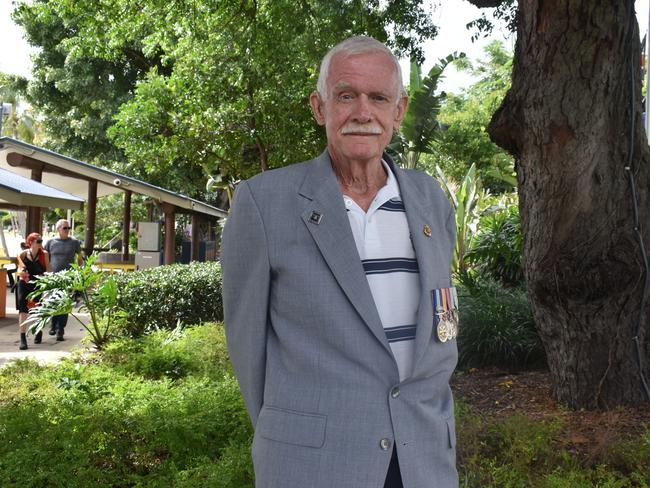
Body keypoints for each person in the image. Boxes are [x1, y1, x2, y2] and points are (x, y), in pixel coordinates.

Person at [221, 36, 459, 488]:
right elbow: (247, 348)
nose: (363, 112)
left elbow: (442, 327)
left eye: (379, 98)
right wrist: (289, 434)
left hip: (423, 459)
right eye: (346, 95)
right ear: (319, 107)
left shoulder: (430, 199)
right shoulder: (263, 202)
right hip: (314, 465)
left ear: (399, 111)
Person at [44, 219, 82, 341]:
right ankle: (53, 324)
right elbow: (45, 256)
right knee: (54, 301)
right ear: (58, 229)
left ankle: (61, 329)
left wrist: (79, 271)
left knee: (65, 302)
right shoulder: (51, 242)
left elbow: (80, 257)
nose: (67, 230)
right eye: (64, 228)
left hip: (68, 277)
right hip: (54, 277)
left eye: (68, 228)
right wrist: (46, 272)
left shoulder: (74, 242)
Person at [16, 232, 50, 350]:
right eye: (38, 241)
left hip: (38, 284)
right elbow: (19, 268)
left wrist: (47, 281)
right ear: (31, 243)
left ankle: (38, 330)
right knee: (23, 310)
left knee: (37, 309)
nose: (41, 243)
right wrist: (22, 272)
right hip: (24, 283)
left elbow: (48, 270)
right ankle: (23, 338)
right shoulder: (23, 254)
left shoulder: (44, 254)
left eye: (41, 241)